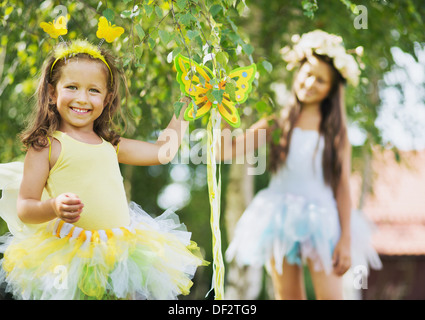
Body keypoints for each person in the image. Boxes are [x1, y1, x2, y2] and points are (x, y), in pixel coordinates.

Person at [0, 38, 206, 300]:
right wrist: (53, 207)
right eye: (72, 87)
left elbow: (162, 153)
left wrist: (185, 105)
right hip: (70, 254)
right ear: (53, 93)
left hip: (121, 253)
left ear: (107, 98)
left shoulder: (110, 144)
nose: (82, 99)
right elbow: (25, 207)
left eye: (93, 91)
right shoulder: (46, 146)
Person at [223, 30, 382, 300]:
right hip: (278, 218)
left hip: (324, 220)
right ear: (297, 74)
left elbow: (343, 187)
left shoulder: (337, 134)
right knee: (288, 297)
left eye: (320, 80)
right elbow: (226, 151)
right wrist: (222, 107)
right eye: (307, 74)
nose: (310, 83)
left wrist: (345, 240)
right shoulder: (276, 124)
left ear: (332, 89)